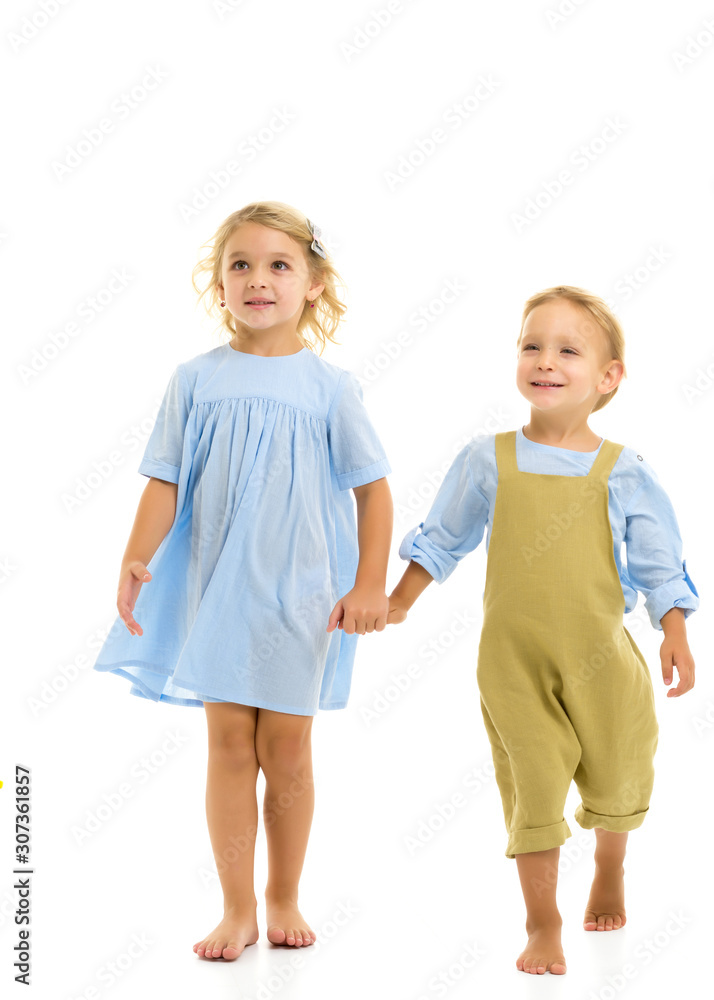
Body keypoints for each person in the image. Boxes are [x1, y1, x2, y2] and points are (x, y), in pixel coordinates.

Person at [92, 201, 393, 960]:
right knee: (228, 744)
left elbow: (374, 491)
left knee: (286, 750)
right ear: (219, 283)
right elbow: (164, 479)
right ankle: (236, 907)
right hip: (218, 592)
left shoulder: (330, 388)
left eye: (278, 265)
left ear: (314, 284)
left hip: (302, 598)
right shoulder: (195, 380)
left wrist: (369, 583)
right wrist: (134, 557)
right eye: (241, 265)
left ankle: (284, 893)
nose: (258, 279)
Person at [387, 286, 698, 976]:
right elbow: (444, 537)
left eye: (567, 350)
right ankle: (542, 921)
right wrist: (399, 601)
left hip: (603, 663)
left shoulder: (624, 471)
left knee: (619, 774)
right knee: (530, 785)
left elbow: (658, 562)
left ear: (608, 377)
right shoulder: (488, 459)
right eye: (532, 345)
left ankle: (610, 866)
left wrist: (674, 632)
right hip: (513, 664)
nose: (545, 361)